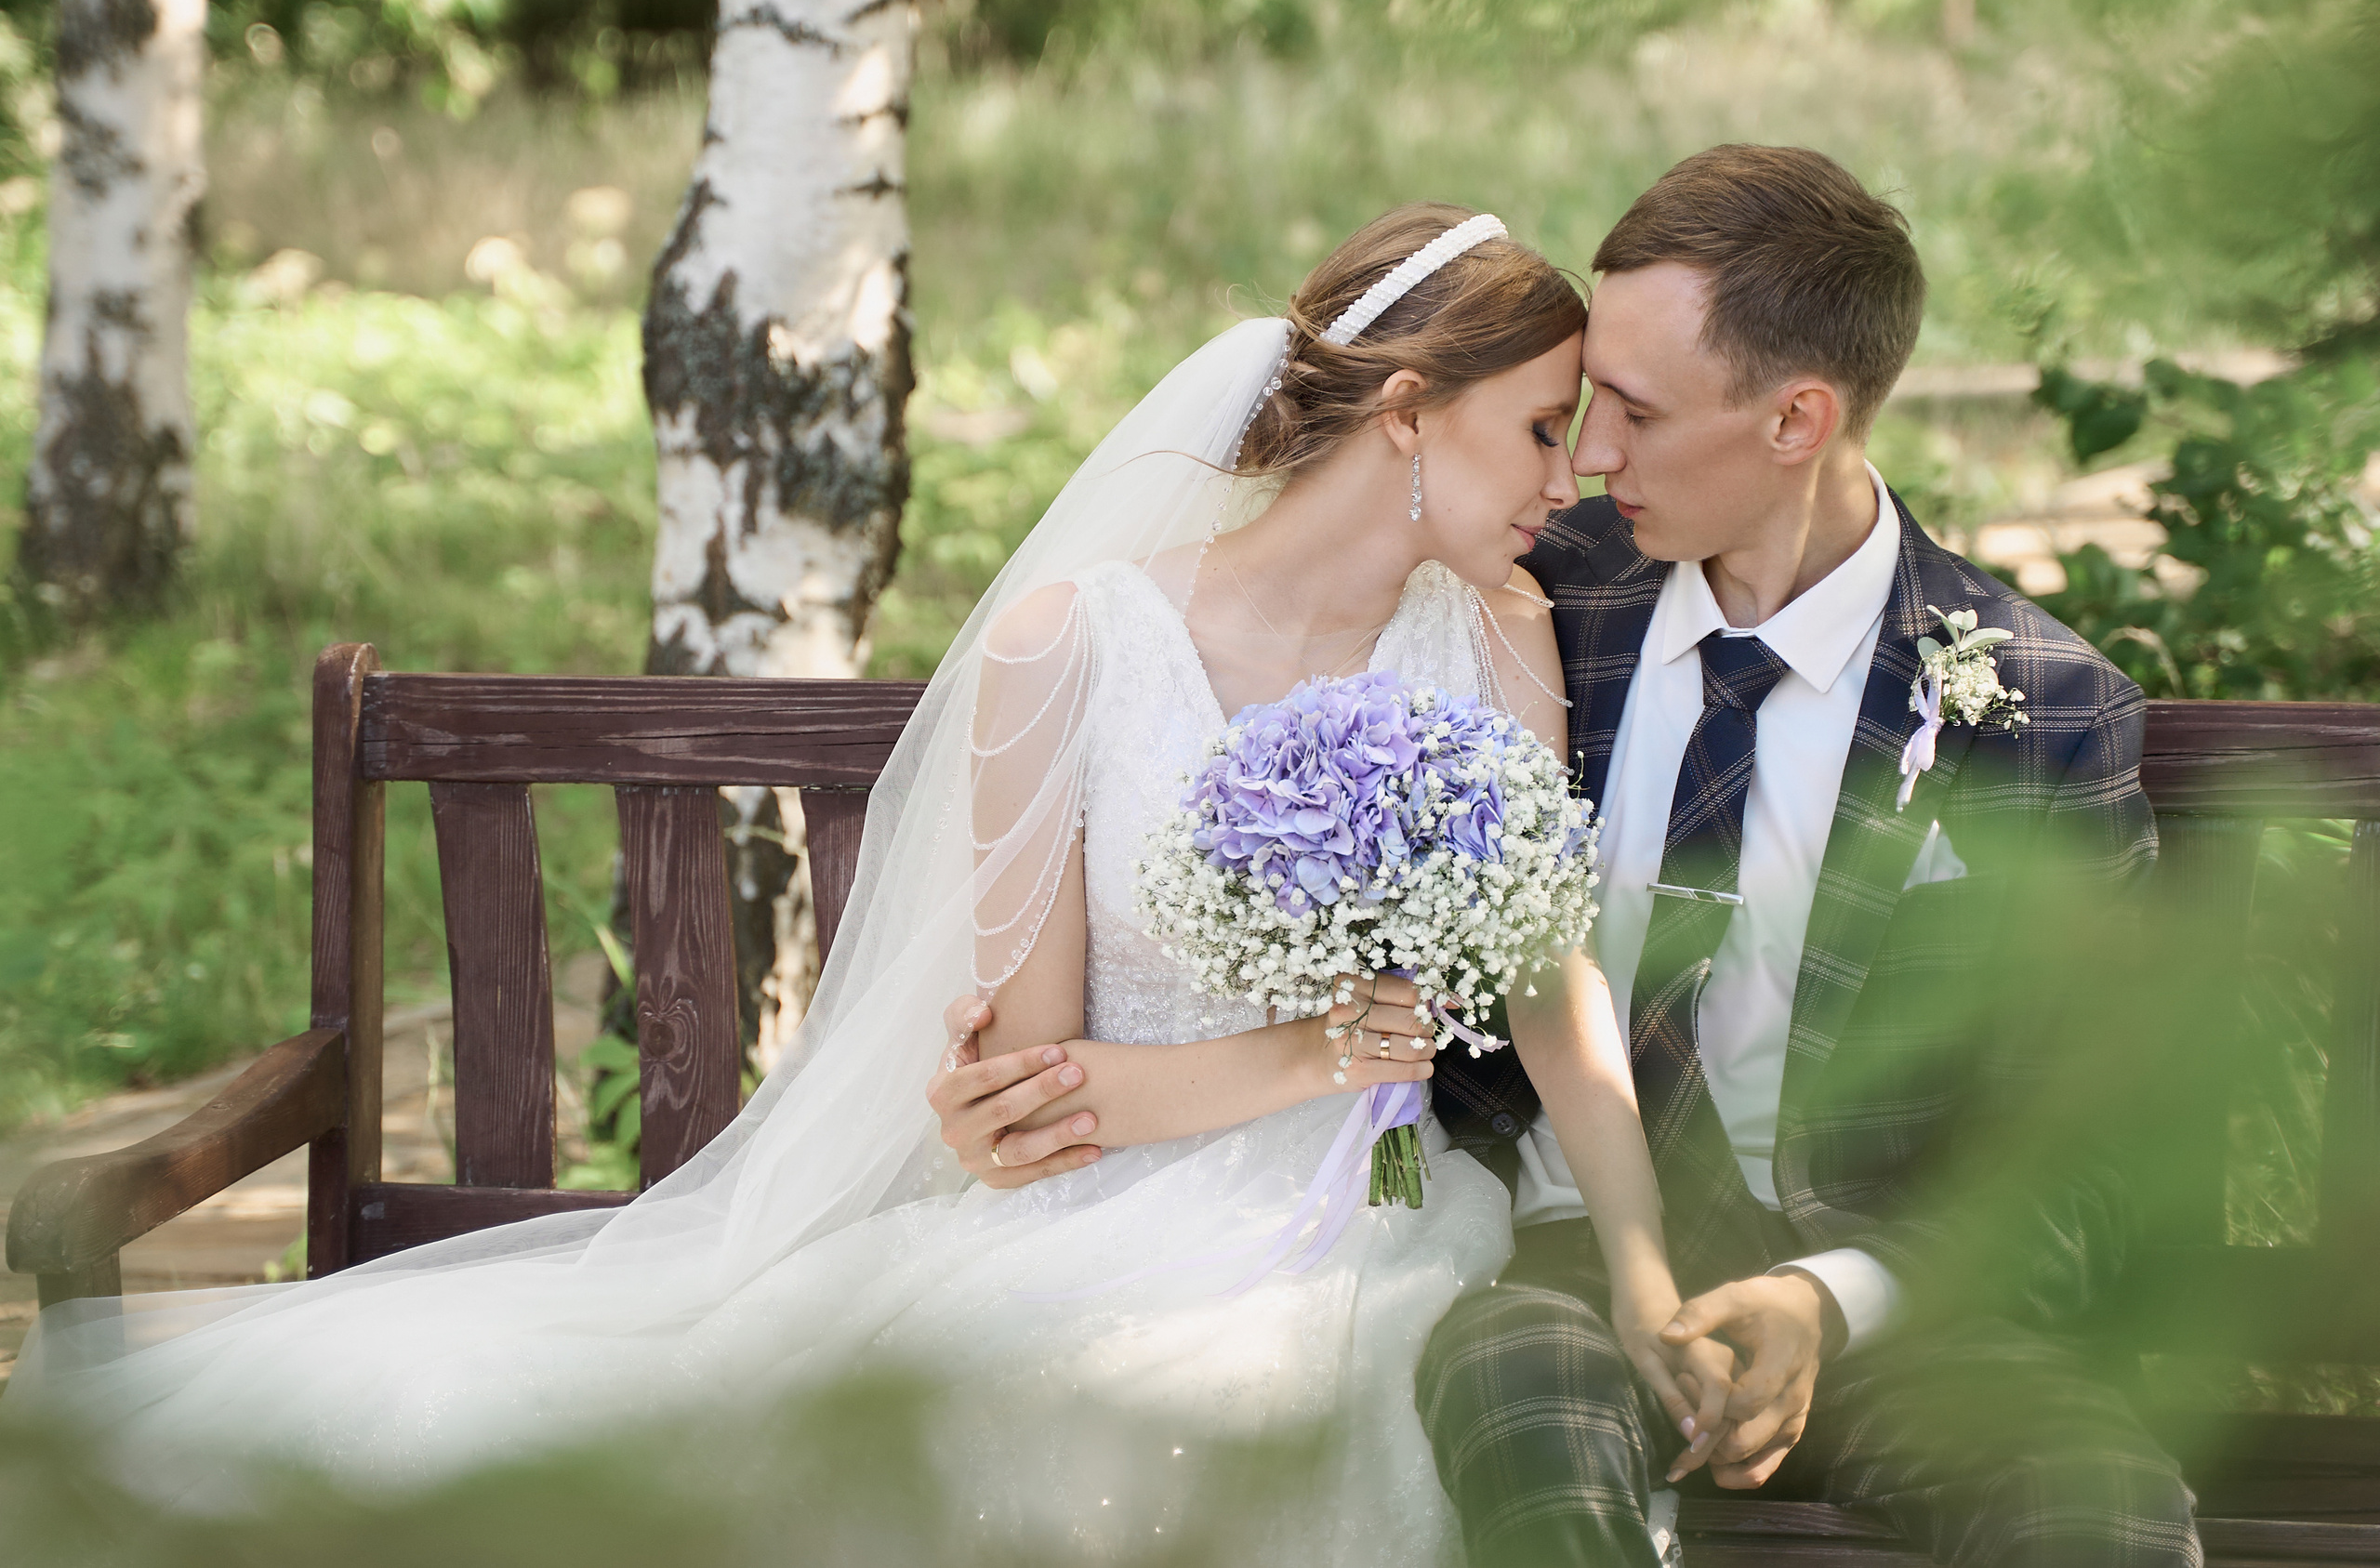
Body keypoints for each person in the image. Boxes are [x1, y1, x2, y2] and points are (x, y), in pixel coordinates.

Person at [9, 204, 1726, 1564]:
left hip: (1381, 1226)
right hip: (1104, 1208)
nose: (1569, 477)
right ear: (1409, 416)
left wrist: (1643, 1268)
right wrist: (1314, 1055)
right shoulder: (1081, 644)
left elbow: (1550, 974)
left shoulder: (1493, 633)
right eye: (1540, 428)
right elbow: (1030, 1090)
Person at [933, 146, 2203, 1568]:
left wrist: (1827, 1300)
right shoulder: (1533, 593)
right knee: (1523, 1410)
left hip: (1888, 1307)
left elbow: (2081, 1162)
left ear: (1798, 418)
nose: (1590, 457)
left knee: (2098, 1508)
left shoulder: (2033, 709)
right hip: (1543, 1267)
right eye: (1576, 410)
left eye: (1636, 414)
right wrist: (1042, 1086)